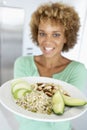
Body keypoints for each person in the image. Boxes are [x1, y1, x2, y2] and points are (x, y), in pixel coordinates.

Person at [14, 2, 87, 130]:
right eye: (42, 33)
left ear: (66, 37)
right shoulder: (22, 63)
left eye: (56, 34)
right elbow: (20, 106)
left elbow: (66, 112)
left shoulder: (77, 70)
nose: (47, 41)